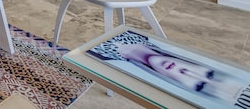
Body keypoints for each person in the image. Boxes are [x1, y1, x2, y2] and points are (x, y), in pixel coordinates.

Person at [90, 30, 250, 108]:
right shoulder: (141, 38)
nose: (188, 72)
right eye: (208, 73)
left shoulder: (111, 61)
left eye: (199, 86)